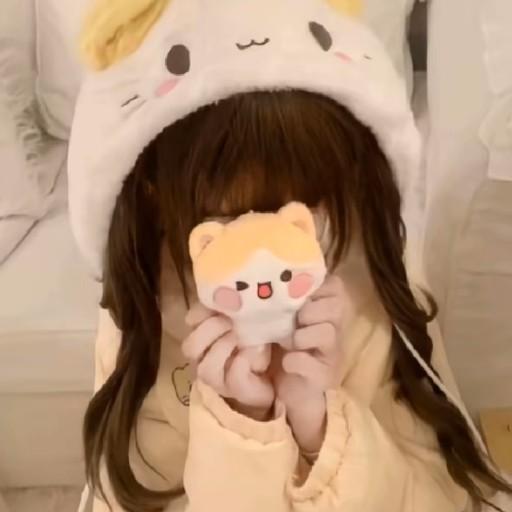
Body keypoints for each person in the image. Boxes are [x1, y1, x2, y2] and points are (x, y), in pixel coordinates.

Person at [69, 0, 512, 511]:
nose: (264, 247)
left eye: (303, 207)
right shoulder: (142, 308)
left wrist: (320, 425)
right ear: (152, 195)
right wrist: (240, 423)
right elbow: (121, 495)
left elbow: (443, 497)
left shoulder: (374, 282)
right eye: (227, 217)